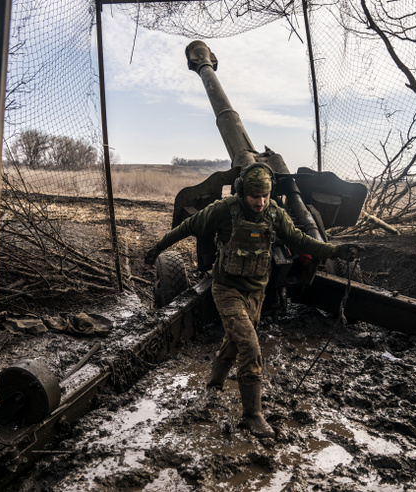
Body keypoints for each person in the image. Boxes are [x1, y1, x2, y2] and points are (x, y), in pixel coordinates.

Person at [144, 163, 359, 438]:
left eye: (265, 196)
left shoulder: (274, 214)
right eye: (254, 196)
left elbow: (300, 239)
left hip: (256, 291)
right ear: (242, 192)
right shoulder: (223, 210)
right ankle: (252, 416)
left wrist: (336, 251)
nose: (260, 202)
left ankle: (213, 385)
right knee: (249, 345)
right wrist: (157, 248)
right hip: (226, 288)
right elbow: (187, 226)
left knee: (235, 341)